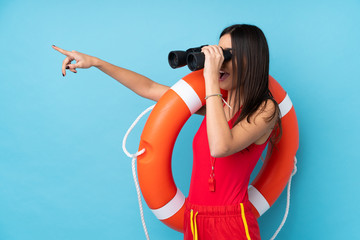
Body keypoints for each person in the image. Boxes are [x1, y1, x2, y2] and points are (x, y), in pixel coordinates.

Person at [53, 24, 281, 240]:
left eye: (226, 54)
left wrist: (210, 78)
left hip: (231, 222)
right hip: (194, 219)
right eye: (217, 52)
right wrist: (96, 62)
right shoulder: (217, 106)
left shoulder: (265, 109)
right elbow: (149, 88)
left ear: (251, 60)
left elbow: (221, 146)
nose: (218, 60)